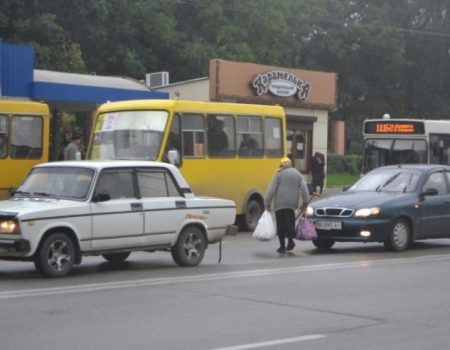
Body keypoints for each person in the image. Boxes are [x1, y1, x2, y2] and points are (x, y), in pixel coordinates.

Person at [265, 157, 310, 253]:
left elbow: (271, 190)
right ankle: (290, 241)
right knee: (290, 223)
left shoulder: (278, 173)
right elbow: (304, 189)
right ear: (290, 164)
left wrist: (267, 202)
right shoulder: (297, 173)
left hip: (279, 204)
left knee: (280, 224)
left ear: (281, 164)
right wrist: (305, 202)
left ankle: (282, 246)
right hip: (291, 204)